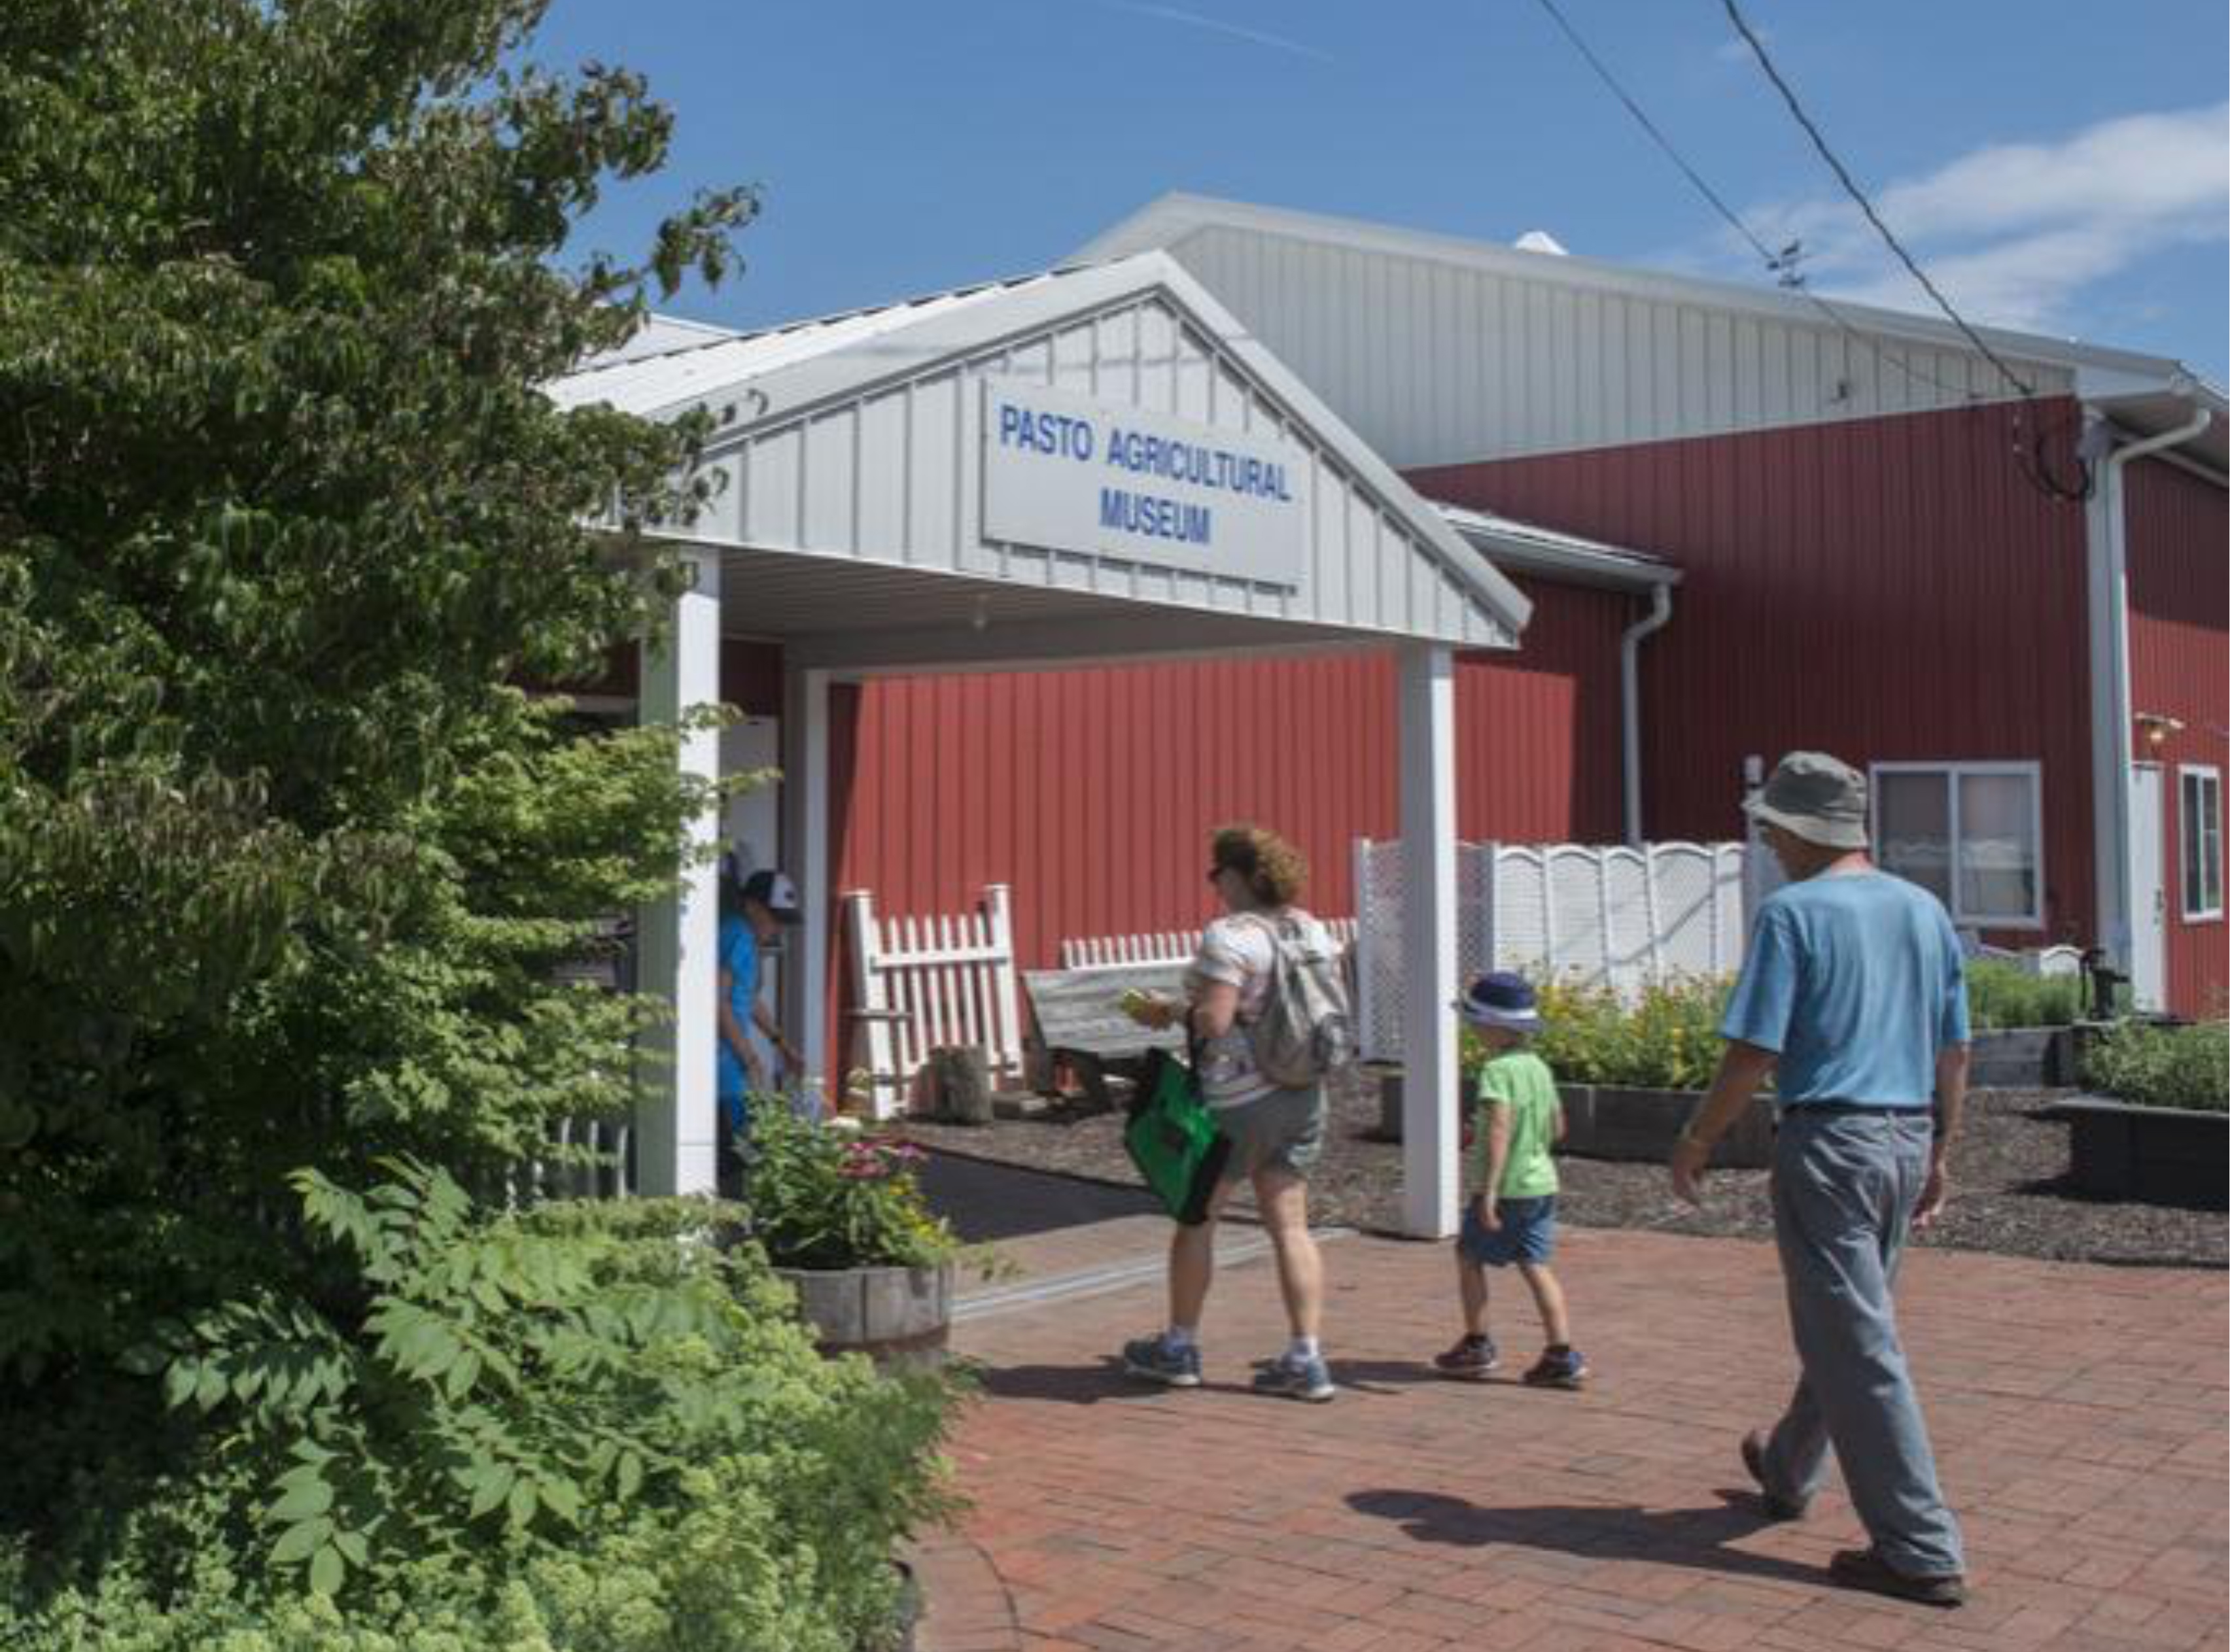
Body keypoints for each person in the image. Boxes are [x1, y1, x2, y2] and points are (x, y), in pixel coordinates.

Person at [1669, 751, 1970, 1608]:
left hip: (1830, 1141)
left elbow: (1755, 1047)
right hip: (1905, 1132)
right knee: (1851, 1319)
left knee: (1860, 1341)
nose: (1764, 838)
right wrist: (1942, 1148)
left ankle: (1920, 1546)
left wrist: (1696, 1136)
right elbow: (1954, 1046)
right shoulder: (1923, 909)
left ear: (1802, 829)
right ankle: (1789, 1468)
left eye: (1770, 824)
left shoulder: (1792, 914)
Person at [1119, 825, 1339, 1402]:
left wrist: (1169, 1012)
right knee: (1290, 1227)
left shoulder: (1230, 938)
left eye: (1216, 873)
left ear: (1240, 876)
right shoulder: (1309, 928)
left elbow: (1215, 1022)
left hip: (1238, 1104)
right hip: (1302, 1095)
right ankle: (1305, 1359)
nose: (1214, 885)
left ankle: (1178, 1348)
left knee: (1197, 1220)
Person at [1433, 972, 1587, 1388]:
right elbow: (1557, 1126)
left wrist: (1490, 1191)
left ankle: (1477, 1344)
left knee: (1469, 1256)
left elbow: (1500, 1127)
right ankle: (1561, 1352)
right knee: (1535, 1265)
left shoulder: (1496, 1071)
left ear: (1497, 1025)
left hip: (1507, 1188)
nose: (1473, 1030)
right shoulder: (1538, 1068)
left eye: (1476, 1022)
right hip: (1542, 1183)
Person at [717, 867, 805, 1196]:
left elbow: (748, 998)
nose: (778, 926)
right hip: (723, 1068)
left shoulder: (745, 938)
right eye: (774, 916)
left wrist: (781, 1044)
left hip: (731, 1066)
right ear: (752, 906)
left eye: (784, 919)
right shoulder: (738, 935)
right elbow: (719, 1001)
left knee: (744, 1151)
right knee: (734, 1157)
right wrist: (751, 1058)